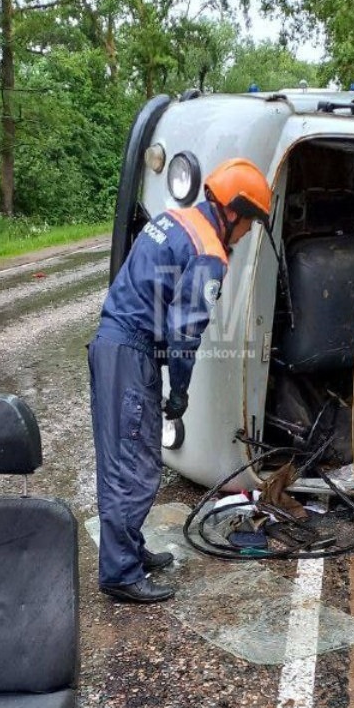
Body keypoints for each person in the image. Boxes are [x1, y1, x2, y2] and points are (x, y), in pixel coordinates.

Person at [88, 158, 273, 604]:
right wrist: (181, 391)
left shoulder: (175, 218)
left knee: (127, 457)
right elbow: (186, 331)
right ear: (233, 211)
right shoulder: (208, 251)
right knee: (132, 467)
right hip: (130, 353)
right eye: (249, 223)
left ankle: (128, 551)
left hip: (116, 345)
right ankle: (120, 573)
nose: (248, 234)